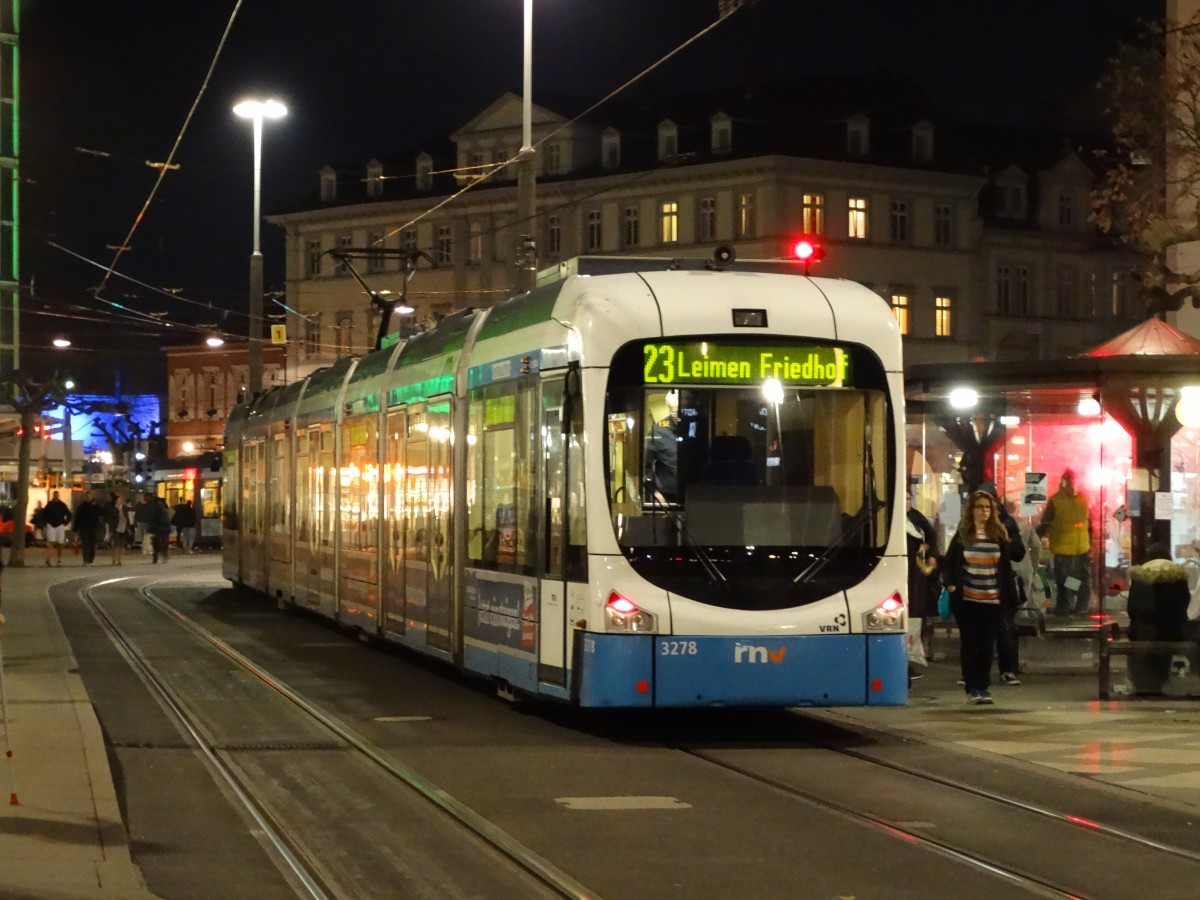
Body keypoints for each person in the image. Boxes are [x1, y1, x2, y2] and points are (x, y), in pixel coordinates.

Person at [941, 489, 1024, 705]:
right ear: (972, 510)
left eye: (988, 508)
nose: (984, 511)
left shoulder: (998, 534)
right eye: (980, 507)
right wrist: (950, 585)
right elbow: (949, 563)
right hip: (967, 599)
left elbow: (1008, 564)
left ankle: (983, 687)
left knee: (987, 645)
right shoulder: (963, 534)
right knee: (970, 643)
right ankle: (971, 687)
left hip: (992, 599)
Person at [1126, 544, 1191, 694]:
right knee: (1165, 640)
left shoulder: (1140, 577)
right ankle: (1161, 679)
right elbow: (1184, 603)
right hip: (1173, 632)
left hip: (1144, 632)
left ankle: (1144, 684)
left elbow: (1132, 609)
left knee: (1140, 638)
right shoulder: (1179, 577)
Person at [1036, 468, 1093, 616]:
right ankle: (1075, 605)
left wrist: (1037, 537)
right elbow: (1090, 523)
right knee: (1070, 579)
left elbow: (1045, 523)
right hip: (1068, 548)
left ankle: (1070, 605)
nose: (1072, 485)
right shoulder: (1076, 499)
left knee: (1072, 579)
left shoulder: (1071, 499)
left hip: (1078, 548)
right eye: (1070, 482)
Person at [905, 493, 939, 683]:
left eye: (910, 498)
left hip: (916, 576)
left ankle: (910, 662)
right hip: (904, 574)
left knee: (914, 620)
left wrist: (931, 553)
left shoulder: (917, 518)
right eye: (905, 498)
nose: (907, 502)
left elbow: (931, 537)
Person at [644, 389, 680, 504]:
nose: (680, 417)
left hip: (697, 495)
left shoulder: (702, 427)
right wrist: (655, 493)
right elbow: (644, 467)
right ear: (669, 409)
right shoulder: (658, 431)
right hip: (667, 498)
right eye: (676, 412)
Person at [41, 490, 72, 567]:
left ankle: (59, 558)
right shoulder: (49, 505)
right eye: (55, 495)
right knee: (51, 542)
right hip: (51, 525)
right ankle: (50, 558)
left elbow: (69, 514)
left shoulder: (62, 505)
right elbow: (43, 514)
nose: (56, 497)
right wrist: (45, 523)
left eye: (56, 495)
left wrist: (65, 522)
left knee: (60, 543)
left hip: (59, 525)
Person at [72, 489, 103, 566]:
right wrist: (75, 529)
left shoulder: (95, 505)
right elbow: (77, 518)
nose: (88, 497)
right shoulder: (82, 507)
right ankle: (86, 560)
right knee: (85, 544)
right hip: (84, 528)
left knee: (92, 544)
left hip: (93, 527)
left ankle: (91, 560)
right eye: (87, 496)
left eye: (89, 496)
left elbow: (102, 512)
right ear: (85, 497)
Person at [105, 491, 127, 566]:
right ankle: (114, 559)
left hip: (123, 528)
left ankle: (120, 559)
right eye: (118, 500)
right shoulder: (112, 509)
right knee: (115, 545)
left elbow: (127, 518)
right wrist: (110, 530)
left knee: (121, 545)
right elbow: (110, 519)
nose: (119, 501)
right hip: (116, 528)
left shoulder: (124, 507)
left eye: (120, 499)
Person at [151, 497, 171, 564]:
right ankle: (164, 554)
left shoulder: (154, 509)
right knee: (163, 542)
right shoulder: (164, 510)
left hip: (157, 528)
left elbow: (152, 520)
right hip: (164, 528)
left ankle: (155, 557)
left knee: (156, 543)